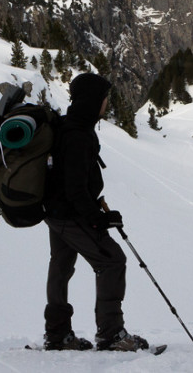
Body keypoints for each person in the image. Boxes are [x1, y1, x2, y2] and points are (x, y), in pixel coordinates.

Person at [41, 73, 148, 352]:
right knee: (112, 260)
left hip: (55, 212)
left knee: (61, 265)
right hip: (69, 214)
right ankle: (112, 335)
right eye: (104, 97)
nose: (107, 102)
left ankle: (57, 334)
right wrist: (97, 219)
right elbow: (75, 188)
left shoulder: (71, 125)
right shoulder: (77, 134)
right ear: (93, 100)